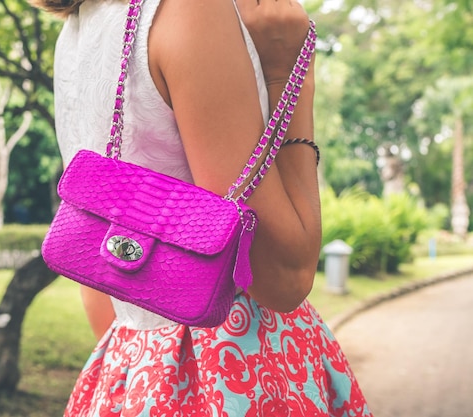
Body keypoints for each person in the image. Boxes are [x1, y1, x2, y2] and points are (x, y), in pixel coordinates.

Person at [32, 0, 373, 415]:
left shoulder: (77, 31)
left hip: (127, 371)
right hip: (237, 370)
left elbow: (98, 277)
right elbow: (284, 279)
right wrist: (287, 75)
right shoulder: (191, 9)